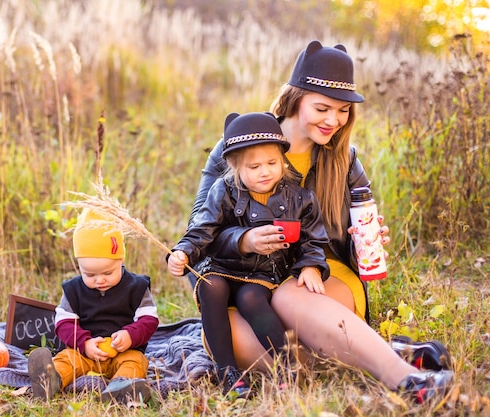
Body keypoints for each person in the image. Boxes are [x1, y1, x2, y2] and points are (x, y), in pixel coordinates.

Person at [187, 40, 453, 403]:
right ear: (296, 99)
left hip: (317, 278)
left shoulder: (344, 160)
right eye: (322, 107)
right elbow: (198, 232)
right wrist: (244, 241)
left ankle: (408, 380)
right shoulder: (241, 145)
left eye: (343, 110)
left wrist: (365, 242)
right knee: (251, 350)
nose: (334, 120)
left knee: (287, 298)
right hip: (249, 282)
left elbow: (353, 249)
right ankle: (394, 350)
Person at [168, 111, 330, 398]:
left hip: (263, 272)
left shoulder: (300, 198)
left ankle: (286, 367)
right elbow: (203, 228)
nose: (265, 171)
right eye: (254, 166)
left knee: (250, 297)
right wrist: (183, 251)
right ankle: (228, 371)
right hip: (222, 265)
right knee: (211, 286)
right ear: (235, 168)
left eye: (272, 163)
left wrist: (311, 266)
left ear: (283, 159)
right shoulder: (223, 191)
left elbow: (313, 240)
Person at [28, 208, 159, 405]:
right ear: (79, 265)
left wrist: (130, 335)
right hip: (85, 353)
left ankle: (123, 387)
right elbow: (64, 323)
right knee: (67, 358)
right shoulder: (73, 290)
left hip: (124, 352)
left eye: (107, 272)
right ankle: (50, 380)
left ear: (121, 259)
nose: (99, 280)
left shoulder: (136, 287)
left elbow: (149, 320)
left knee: (136, 362)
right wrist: (84, 343)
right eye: (89, 275)